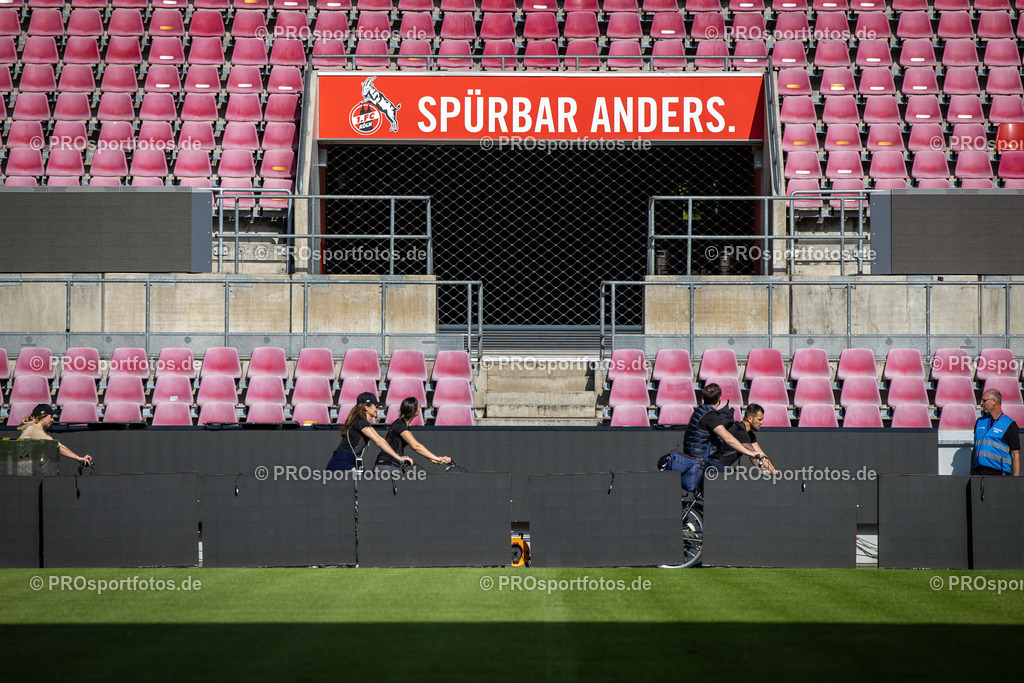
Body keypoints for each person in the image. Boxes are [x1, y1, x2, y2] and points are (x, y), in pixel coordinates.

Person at [682, 383, 759, 471]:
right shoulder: (710, 416)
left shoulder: (699, 411)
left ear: (703, 398)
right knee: (736, 475)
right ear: (719, 400)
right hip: (701, 462)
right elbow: (728, 439)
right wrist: (750, 453)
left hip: (692, 459)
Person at [326, 392, 410, 471]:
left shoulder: (360, 421)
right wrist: (398, 458)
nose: (378, 409)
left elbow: (380, 440)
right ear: (366, 407)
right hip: (342, 461)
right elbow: (379, 441)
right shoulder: (360, 422)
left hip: (349, 459)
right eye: (376, 406)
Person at [375, 397, 451, 472]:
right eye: (418, 406)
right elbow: (416, 446)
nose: (420, 408)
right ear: (413, 410)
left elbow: (416, 447)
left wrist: (435, 460)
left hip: (390, 465)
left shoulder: (402, 425)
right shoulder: (400, 425)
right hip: (388, 465)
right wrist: (437, 458)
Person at [17, 404, 94, 466]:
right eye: (51, 417)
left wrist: (78, 458)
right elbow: (57, 446)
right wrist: (78, 458)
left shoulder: (36, 428)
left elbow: (58, 445)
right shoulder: (35, 429)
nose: (53, 419)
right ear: (43, 417)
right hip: (26, 469)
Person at [713, 403, 778, 474]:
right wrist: (765, 472)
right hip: (714, 468)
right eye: (759, 420)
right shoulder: (740, 431)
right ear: (750, 419)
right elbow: (754, 457)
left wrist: (774, 471)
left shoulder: (750, 434)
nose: (761, 422)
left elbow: (761, 455)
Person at [972, 389, 1021, 476]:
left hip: (998, 474)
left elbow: (1015, 454)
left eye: (984, 400)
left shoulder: (1009, 424)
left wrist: (1016, 481)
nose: (981, 403)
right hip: (978, 473)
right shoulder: (979, 422)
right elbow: (974, 449)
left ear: (994, 401)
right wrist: (971, 474)